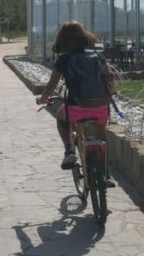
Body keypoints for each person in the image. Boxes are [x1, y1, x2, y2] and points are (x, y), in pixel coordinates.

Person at [35, 20, 116, 186]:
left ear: (62, 40)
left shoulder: (63, 60)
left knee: (61, 118)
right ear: (85, 36)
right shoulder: (98, 56)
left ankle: (69, 150)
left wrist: (42, 99)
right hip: (100, 107)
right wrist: (111, 93)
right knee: (101, 134)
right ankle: (106, 173)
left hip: (76, 109)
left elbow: (52, 84)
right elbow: (109, 79)